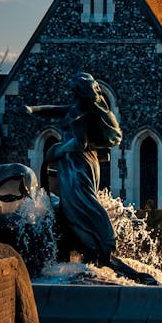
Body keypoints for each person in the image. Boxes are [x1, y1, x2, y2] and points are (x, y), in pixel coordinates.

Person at [24, 72, 122, 264]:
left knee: (81, 202)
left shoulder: (79, 114)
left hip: (77, 165)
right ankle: (90, 243)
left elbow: (79, 143)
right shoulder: (81, 108)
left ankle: (102, 239)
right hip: (83, 163)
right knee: (79, 201)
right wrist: (33, 109)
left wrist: (57, 149)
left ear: (77, 92)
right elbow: (55, 109)